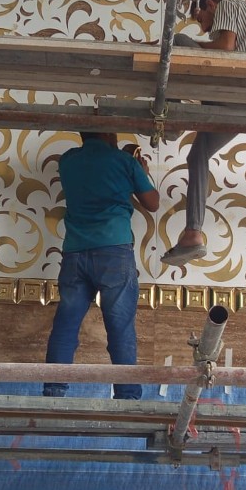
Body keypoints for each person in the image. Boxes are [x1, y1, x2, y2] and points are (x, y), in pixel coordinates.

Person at [160, 0, 246, 266]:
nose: (204, 28)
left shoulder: (229, 4)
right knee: (197, 156)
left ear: (211, 5)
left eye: (202, 19)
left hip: (239, 89)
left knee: (178, 41)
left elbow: (225, 47)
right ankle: (193, 234)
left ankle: (172, 121)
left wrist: (182, 46)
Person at [43, 131, 159, 399]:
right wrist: (141, 172)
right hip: (114, 251)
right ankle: (127, 397)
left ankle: (53, 392)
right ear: (109, 132)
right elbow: (152, 203)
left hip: (74, 251)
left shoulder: (67, 160)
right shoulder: (124, 162)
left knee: (66, 323)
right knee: (120, 327)